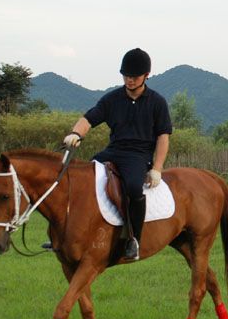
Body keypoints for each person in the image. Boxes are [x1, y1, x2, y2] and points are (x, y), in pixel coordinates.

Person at [63, 48, 173, 260]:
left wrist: (157, 168)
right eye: (126, 75)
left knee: (133, 187)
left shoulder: (157, 102)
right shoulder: (112, 99)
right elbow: (88, 119)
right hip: (113, 151)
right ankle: (72, 235)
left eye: (134, 76)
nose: (129, 80)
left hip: (138, 156)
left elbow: (163, 137)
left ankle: (134, 240)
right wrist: (76, 133)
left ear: (146, 76)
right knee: (79, 179)